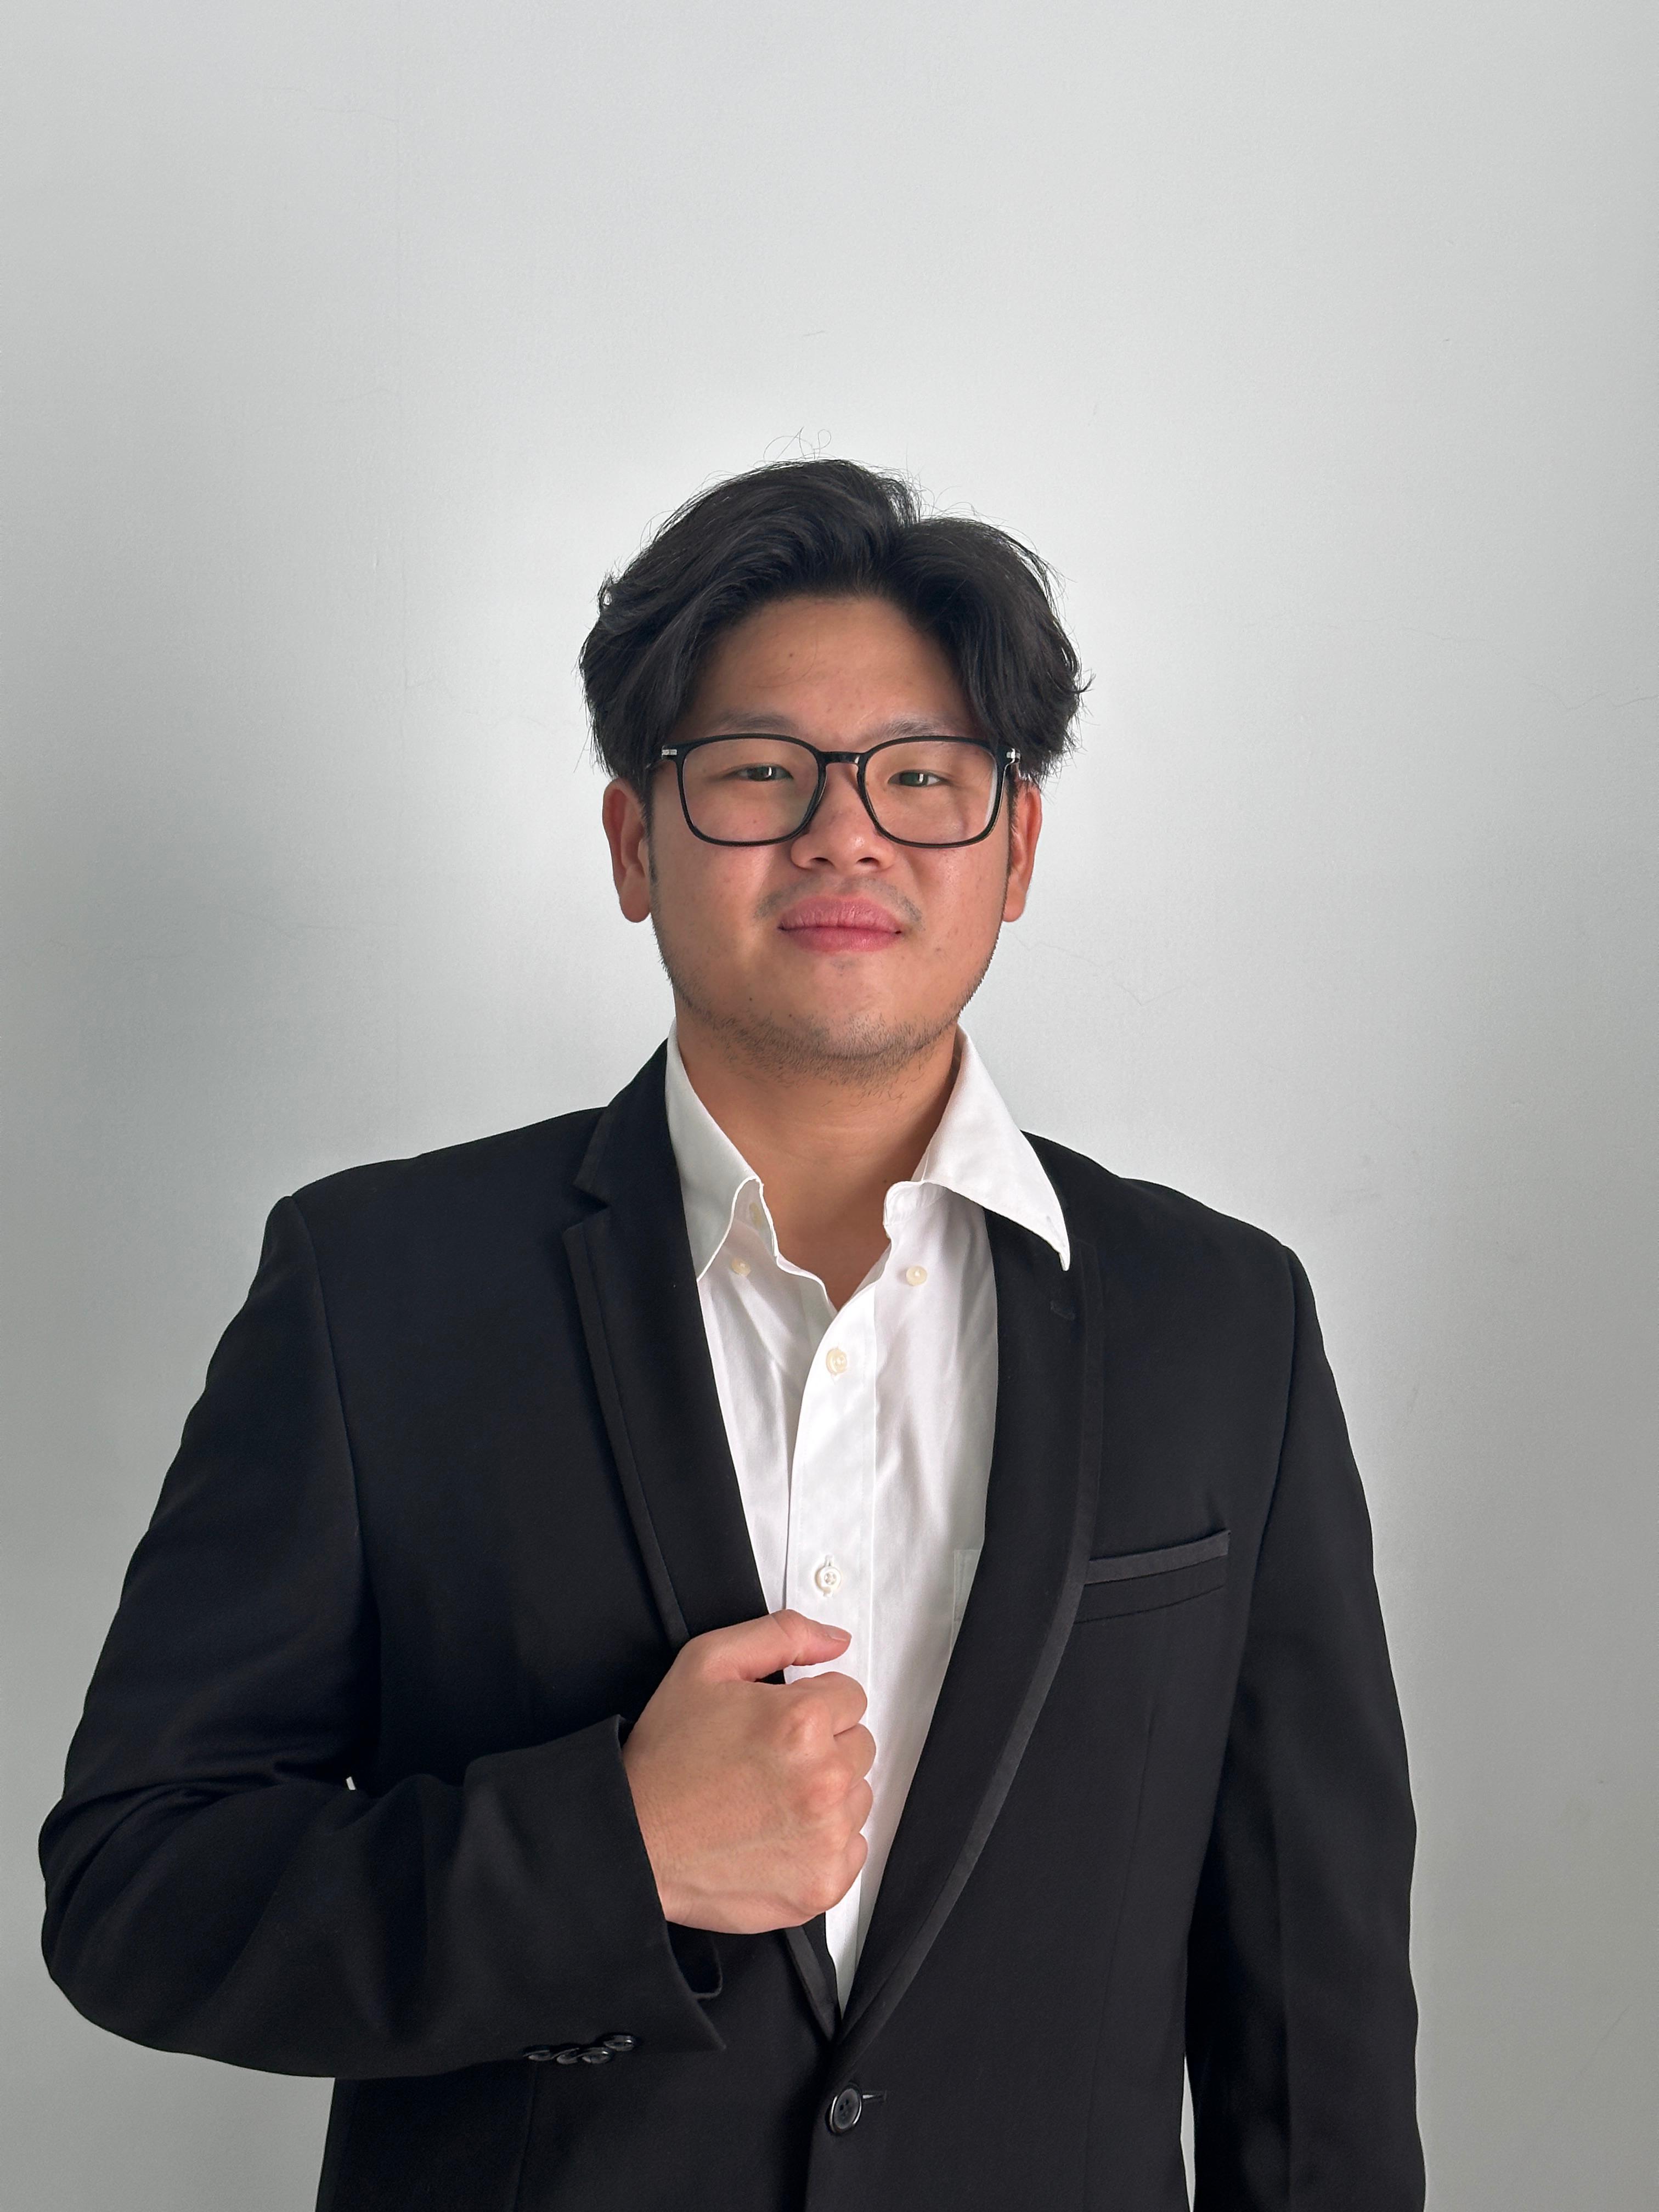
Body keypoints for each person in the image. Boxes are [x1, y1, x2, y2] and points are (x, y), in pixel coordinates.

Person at [40, 459, 1424, 2211]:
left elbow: (1314, 2016)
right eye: (763, 771)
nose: (846, 834)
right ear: (637, 843)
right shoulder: (375, 1291)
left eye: (921, 777)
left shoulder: (1222, 1322)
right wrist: (606, 1856)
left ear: (1014, 852)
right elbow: (137, 1891)